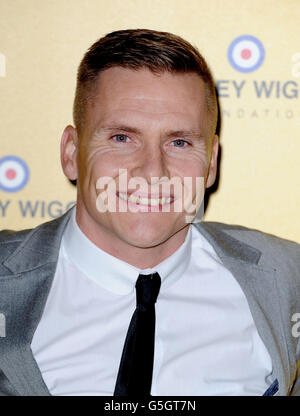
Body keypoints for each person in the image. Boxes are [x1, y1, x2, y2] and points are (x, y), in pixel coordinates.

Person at [0, 29, 299, 397]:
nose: (153, 172)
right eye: (122, 138)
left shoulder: (288, 279)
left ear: (211, 164)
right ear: (70, 153)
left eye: (179, 142)